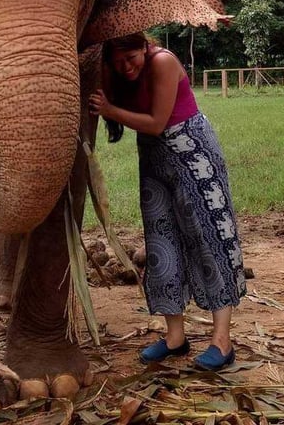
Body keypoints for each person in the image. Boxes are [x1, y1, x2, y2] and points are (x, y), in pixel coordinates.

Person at [89, 32, 246, 371]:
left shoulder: (162, 61)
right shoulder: (116, 71)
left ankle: (222, 340)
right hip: (154, 160)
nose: (125, 68)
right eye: (117, 64)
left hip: (192, 155)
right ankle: (175, 338)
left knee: (209, 238)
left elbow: (158, 123)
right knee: (162, 244)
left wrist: (110, 110)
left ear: (143, 48)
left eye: (130, 59)